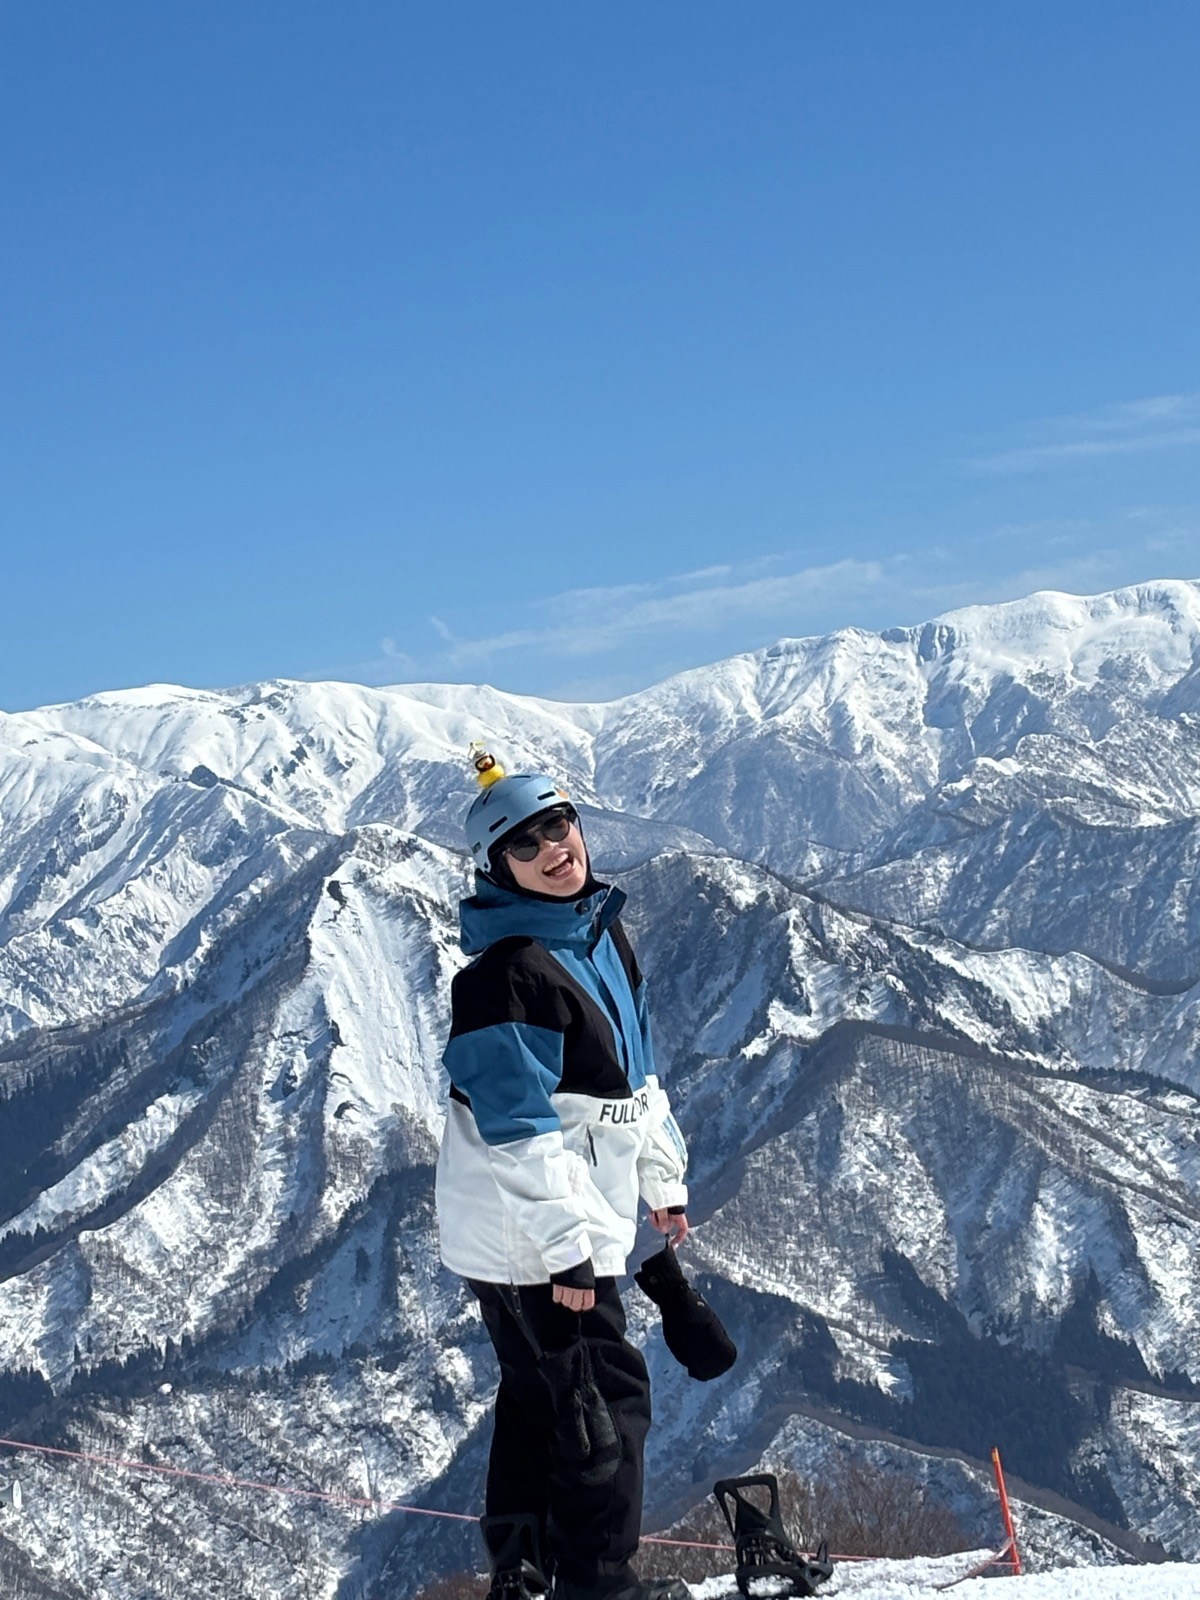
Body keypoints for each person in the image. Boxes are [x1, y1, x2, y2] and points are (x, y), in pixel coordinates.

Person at [436, 755, 691, 1600]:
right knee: (603, 1403)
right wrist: (567, 1250)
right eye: (524, 843)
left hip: (554, 1226)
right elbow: (520, 1136)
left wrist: (660, 1180)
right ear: (496, 867)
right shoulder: (504, 979)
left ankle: (523, 1571)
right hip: (532, 1237)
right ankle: (599, 1584)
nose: (552, 848)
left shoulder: (599, 937)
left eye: (558, 825)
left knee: (539, 1395)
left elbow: (635, 1080)